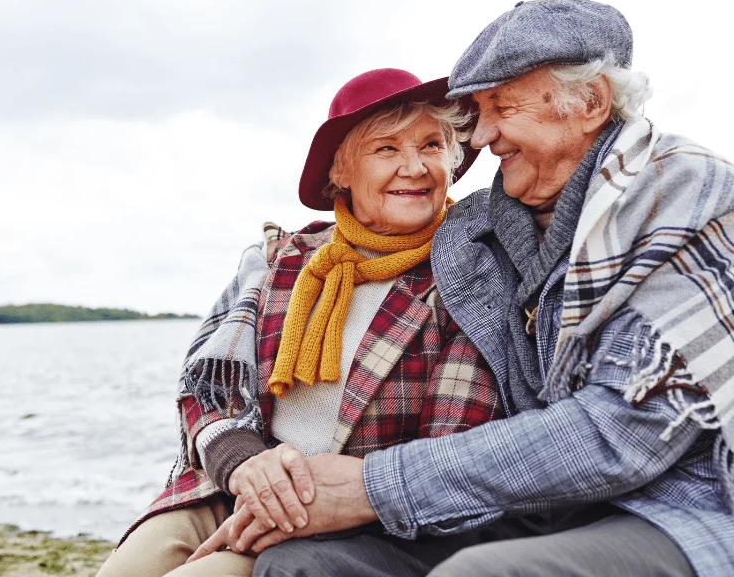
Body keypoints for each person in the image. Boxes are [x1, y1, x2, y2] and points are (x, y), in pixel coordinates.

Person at [199, 0, 734, 577]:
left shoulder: (679, 192)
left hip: (679, 508)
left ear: (591, 104)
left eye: (499, 107)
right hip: (544, 507)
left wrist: (369, 488)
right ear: (340, 175)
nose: (480, 137)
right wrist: (259, 471)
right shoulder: (512, 217)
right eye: (476, 113)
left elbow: (625, 431)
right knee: (303, 565)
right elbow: (209, 383)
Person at [94, 68, 503, 577]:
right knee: (128, 568)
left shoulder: (471, 273)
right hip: (239, 483)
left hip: (361, 514)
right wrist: (243, 464)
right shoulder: (281, 258)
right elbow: (206, 383)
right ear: (342, 173)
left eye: (432, 145)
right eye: (386, 150)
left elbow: (451, 448)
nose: (415, 167)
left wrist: (303, 496)